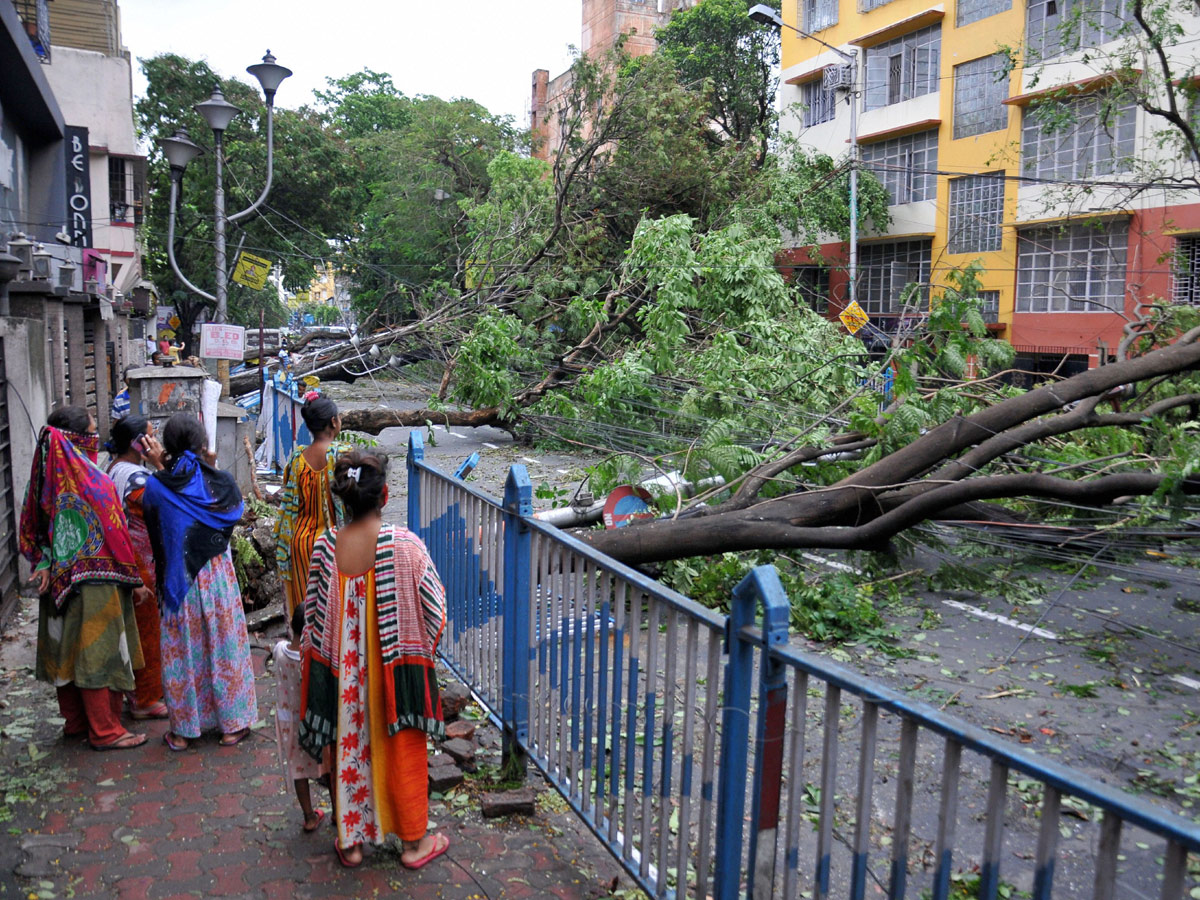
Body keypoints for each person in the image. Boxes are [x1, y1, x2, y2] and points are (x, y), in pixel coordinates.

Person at [299, 451, 449, 870]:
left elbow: (311, 617)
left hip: (341, 680)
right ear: (385, 494)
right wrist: (422, 652)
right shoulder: (406, 546)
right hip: (394, 678)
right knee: (402, 749)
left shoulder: (325, 547)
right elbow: (437, 612)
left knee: (345, 750)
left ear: (345, 499)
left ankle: (351, 843)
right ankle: (414, 843)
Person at [18, 406, 148, 751]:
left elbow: (33, 523)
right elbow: (114, 528)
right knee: (97, 653)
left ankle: (76, 723)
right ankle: (105, 731)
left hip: (59, 580)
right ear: (76, 439)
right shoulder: (89, 479)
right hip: (97, 580)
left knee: (66, 649)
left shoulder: (46, 474)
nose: (96, 439)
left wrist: (45, 561)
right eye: (91, 432)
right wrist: (132, 576)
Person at [142, 413, 258, 751]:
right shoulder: (220, 484)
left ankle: (183, 730)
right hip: (216, 574)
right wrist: (210, 464)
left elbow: (157, 525)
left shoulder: (155, 486)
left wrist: (162, 468)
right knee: (224, 645)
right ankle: (232, 727)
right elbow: (233, 512)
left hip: (179, 579)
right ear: (203, 445)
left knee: (184, 652)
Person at [105, 415, 168, 720]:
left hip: (124, 559)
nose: (156, 442)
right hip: (141, 563)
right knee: (147, 631)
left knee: (135, 630)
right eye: (151, 437)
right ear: (139, 444)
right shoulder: (139, 480)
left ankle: (137, 692)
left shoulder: (113, 468)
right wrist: (162, 467)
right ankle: (146, 699)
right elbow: (170, 503)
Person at [274, 392, 349, 619]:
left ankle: (301, 652)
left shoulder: (296, 460)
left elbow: (288, 499)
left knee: (304, 613)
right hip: (334, 545)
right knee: (334, 611)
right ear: (333, 422)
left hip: (300, 544)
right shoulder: (344, 457)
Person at [273, 604, 330, 833]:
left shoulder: (279, 652)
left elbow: (278, 648)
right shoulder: (314, 661)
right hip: (314, 723)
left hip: (289, 724)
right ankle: (338, 814)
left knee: (298, 770)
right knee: (327, 766)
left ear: (291, 626)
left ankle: (309, 817)